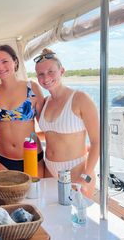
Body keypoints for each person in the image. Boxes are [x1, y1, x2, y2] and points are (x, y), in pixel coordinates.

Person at [35, 48, 99, 197]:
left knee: (76, 218)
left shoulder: (80, 98)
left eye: (51, 72)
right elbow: (51, 134)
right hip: (48, 168)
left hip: (76, 171)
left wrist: (86, 176)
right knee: (50, 217)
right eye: (41, 74)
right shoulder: (45, 102)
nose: (46, 78)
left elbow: (98, 141)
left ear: (62, 71)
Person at [0, 45, 45, 176]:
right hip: (2, 160)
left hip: (32, 158)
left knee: (34, 197)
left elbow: (46, 124)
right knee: (3, 197)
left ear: (15, 61)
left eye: (5, 61)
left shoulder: (32, 87)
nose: (0, 67)